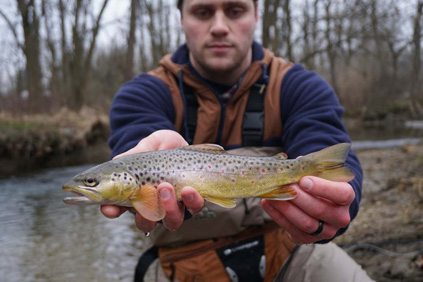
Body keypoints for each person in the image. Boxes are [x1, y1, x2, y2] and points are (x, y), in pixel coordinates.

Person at [102, 0, 374, 281]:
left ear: (256, 15)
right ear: (181, 19)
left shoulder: (299, 86)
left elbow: (327, 150)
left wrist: (328, 211)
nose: (219, 27)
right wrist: (146, 154)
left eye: (235, 11)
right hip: (183, 264)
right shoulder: (142, 94)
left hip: (294, 250)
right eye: (203, 12)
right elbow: (135, 141)